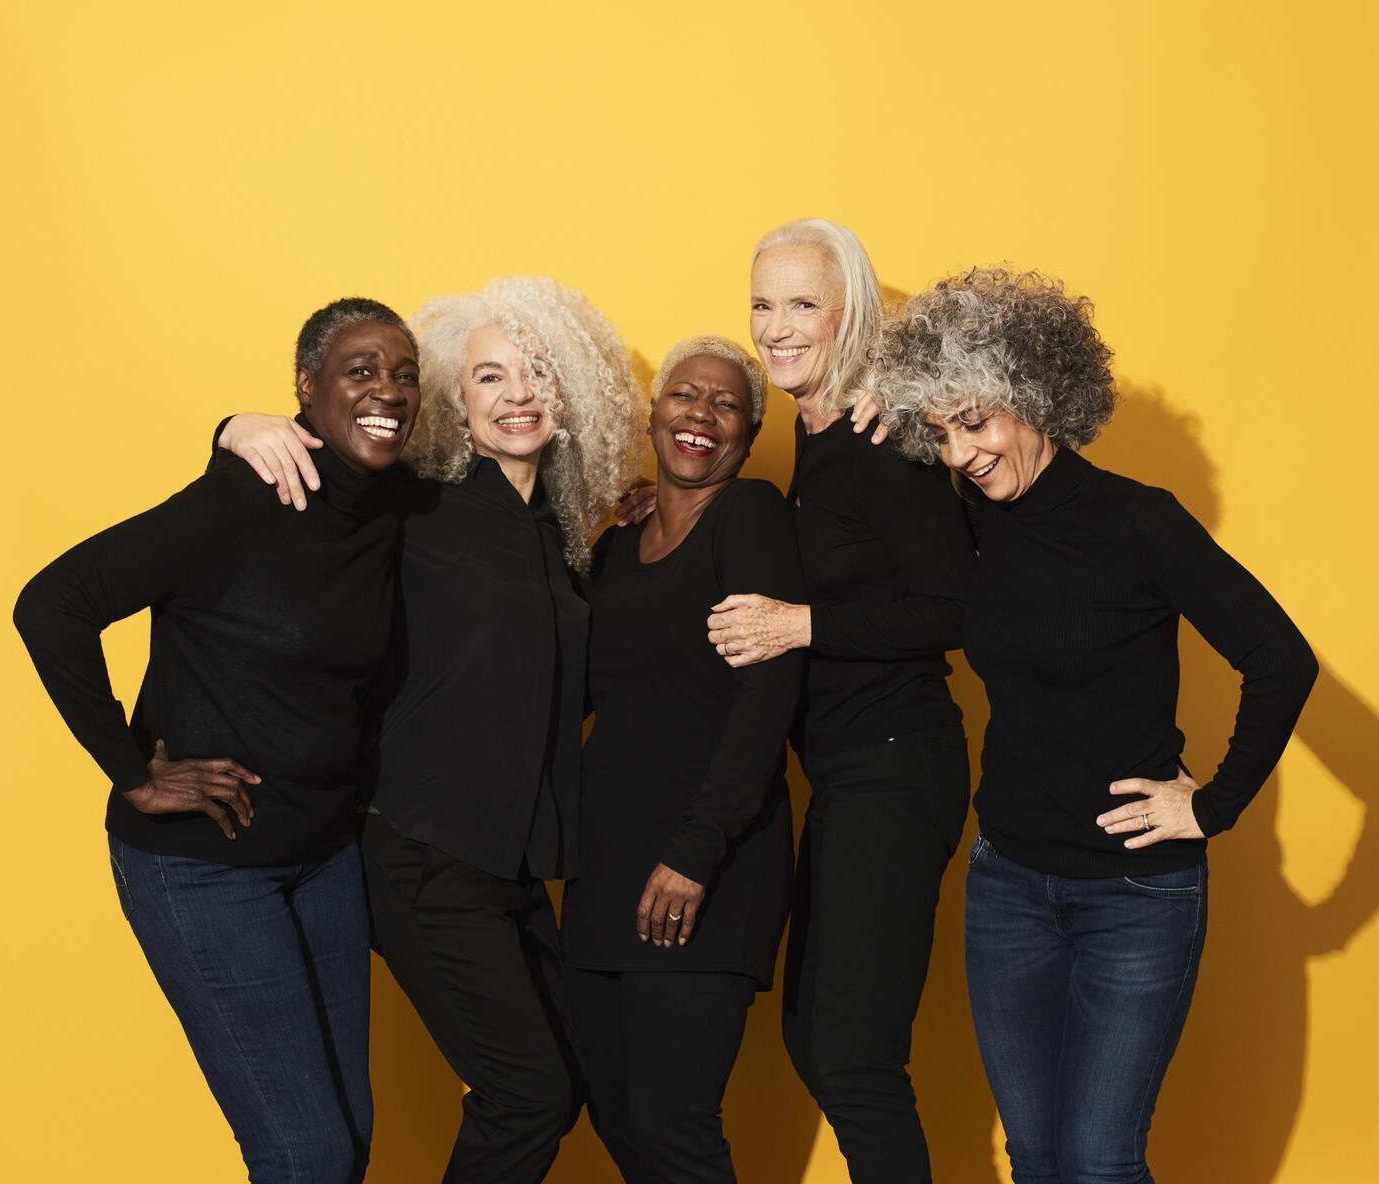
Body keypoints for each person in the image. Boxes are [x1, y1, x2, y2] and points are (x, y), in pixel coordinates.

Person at [872, 266, 1318, 1182]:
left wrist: (1214, 804)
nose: (960, 454)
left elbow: (1283, 660)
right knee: (1035, 1158)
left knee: (1099, 1159)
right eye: (943, 429)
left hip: (1135, 898)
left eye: (978, 422)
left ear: (1035, 395)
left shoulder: (1139, 524)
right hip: (1007, 889)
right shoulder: (973, 517)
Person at [217, 275, 643, 1184]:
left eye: (536, 373)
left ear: (569, 388)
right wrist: (235, 429)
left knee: (567, 1087)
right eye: (490, 377)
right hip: (422, 851)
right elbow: (297, 481)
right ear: (457, 399)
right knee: (527, 1095)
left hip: (516, 866)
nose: (517, 394)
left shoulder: (566, 540)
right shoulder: (413, 508)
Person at [13, 297, 421, 1183]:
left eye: (403, 372)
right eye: (360, 370)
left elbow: (501, 507)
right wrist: (132, 770)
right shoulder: (240, 499)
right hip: (203, 866)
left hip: (324, 856)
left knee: (346, 1136)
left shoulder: (392, 507)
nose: (386, 389)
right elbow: (52, 605)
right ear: (307, 389)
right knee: (304, 1154)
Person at [704, 218, 978, 1182]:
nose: (777, 328)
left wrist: (801, 625)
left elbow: (956, 606)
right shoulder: (813, 433)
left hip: (900, 767)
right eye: (764, 303)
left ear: (849, 313)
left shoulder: (880, 437)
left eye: (803, 304)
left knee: (853, 1054)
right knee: (819, 1039)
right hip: (849, 775)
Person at [560, 336, 804, 1183]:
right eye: (684, 395)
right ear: (654, 412)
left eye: (727, 403)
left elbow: (767, 698)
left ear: (748, 431)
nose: (700, 413)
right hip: (601, 871)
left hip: (707, 867)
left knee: (673, 1126)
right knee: (615, 1112)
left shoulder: (753, 516)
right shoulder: (615, 547)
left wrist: (695, 853)